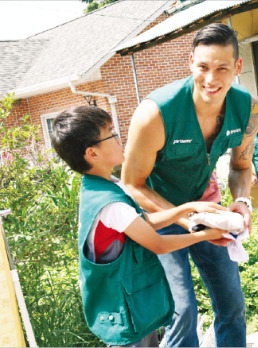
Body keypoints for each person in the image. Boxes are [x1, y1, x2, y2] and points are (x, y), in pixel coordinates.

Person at [121, 23, 258, 347]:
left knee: (233, 304)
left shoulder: (249, 109)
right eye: (203, 67)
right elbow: (132, 185)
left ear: (237, 67)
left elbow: (241, 167)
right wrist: (185, 217)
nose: (211, 80)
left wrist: (241, 201)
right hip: (161, 214)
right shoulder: (155, 114)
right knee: (182, 311)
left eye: (222, 68)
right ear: (190, 62)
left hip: (208, 204)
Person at [50, 106, 227, 347]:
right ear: (92, 153)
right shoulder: (109, 203)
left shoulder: (102, 185)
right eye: (111, 134)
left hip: (131, 303)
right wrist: (207, 234)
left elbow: (144, 223)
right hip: (125, 309)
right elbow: (159, 243)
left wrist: (187, 208)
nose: (119, 138)